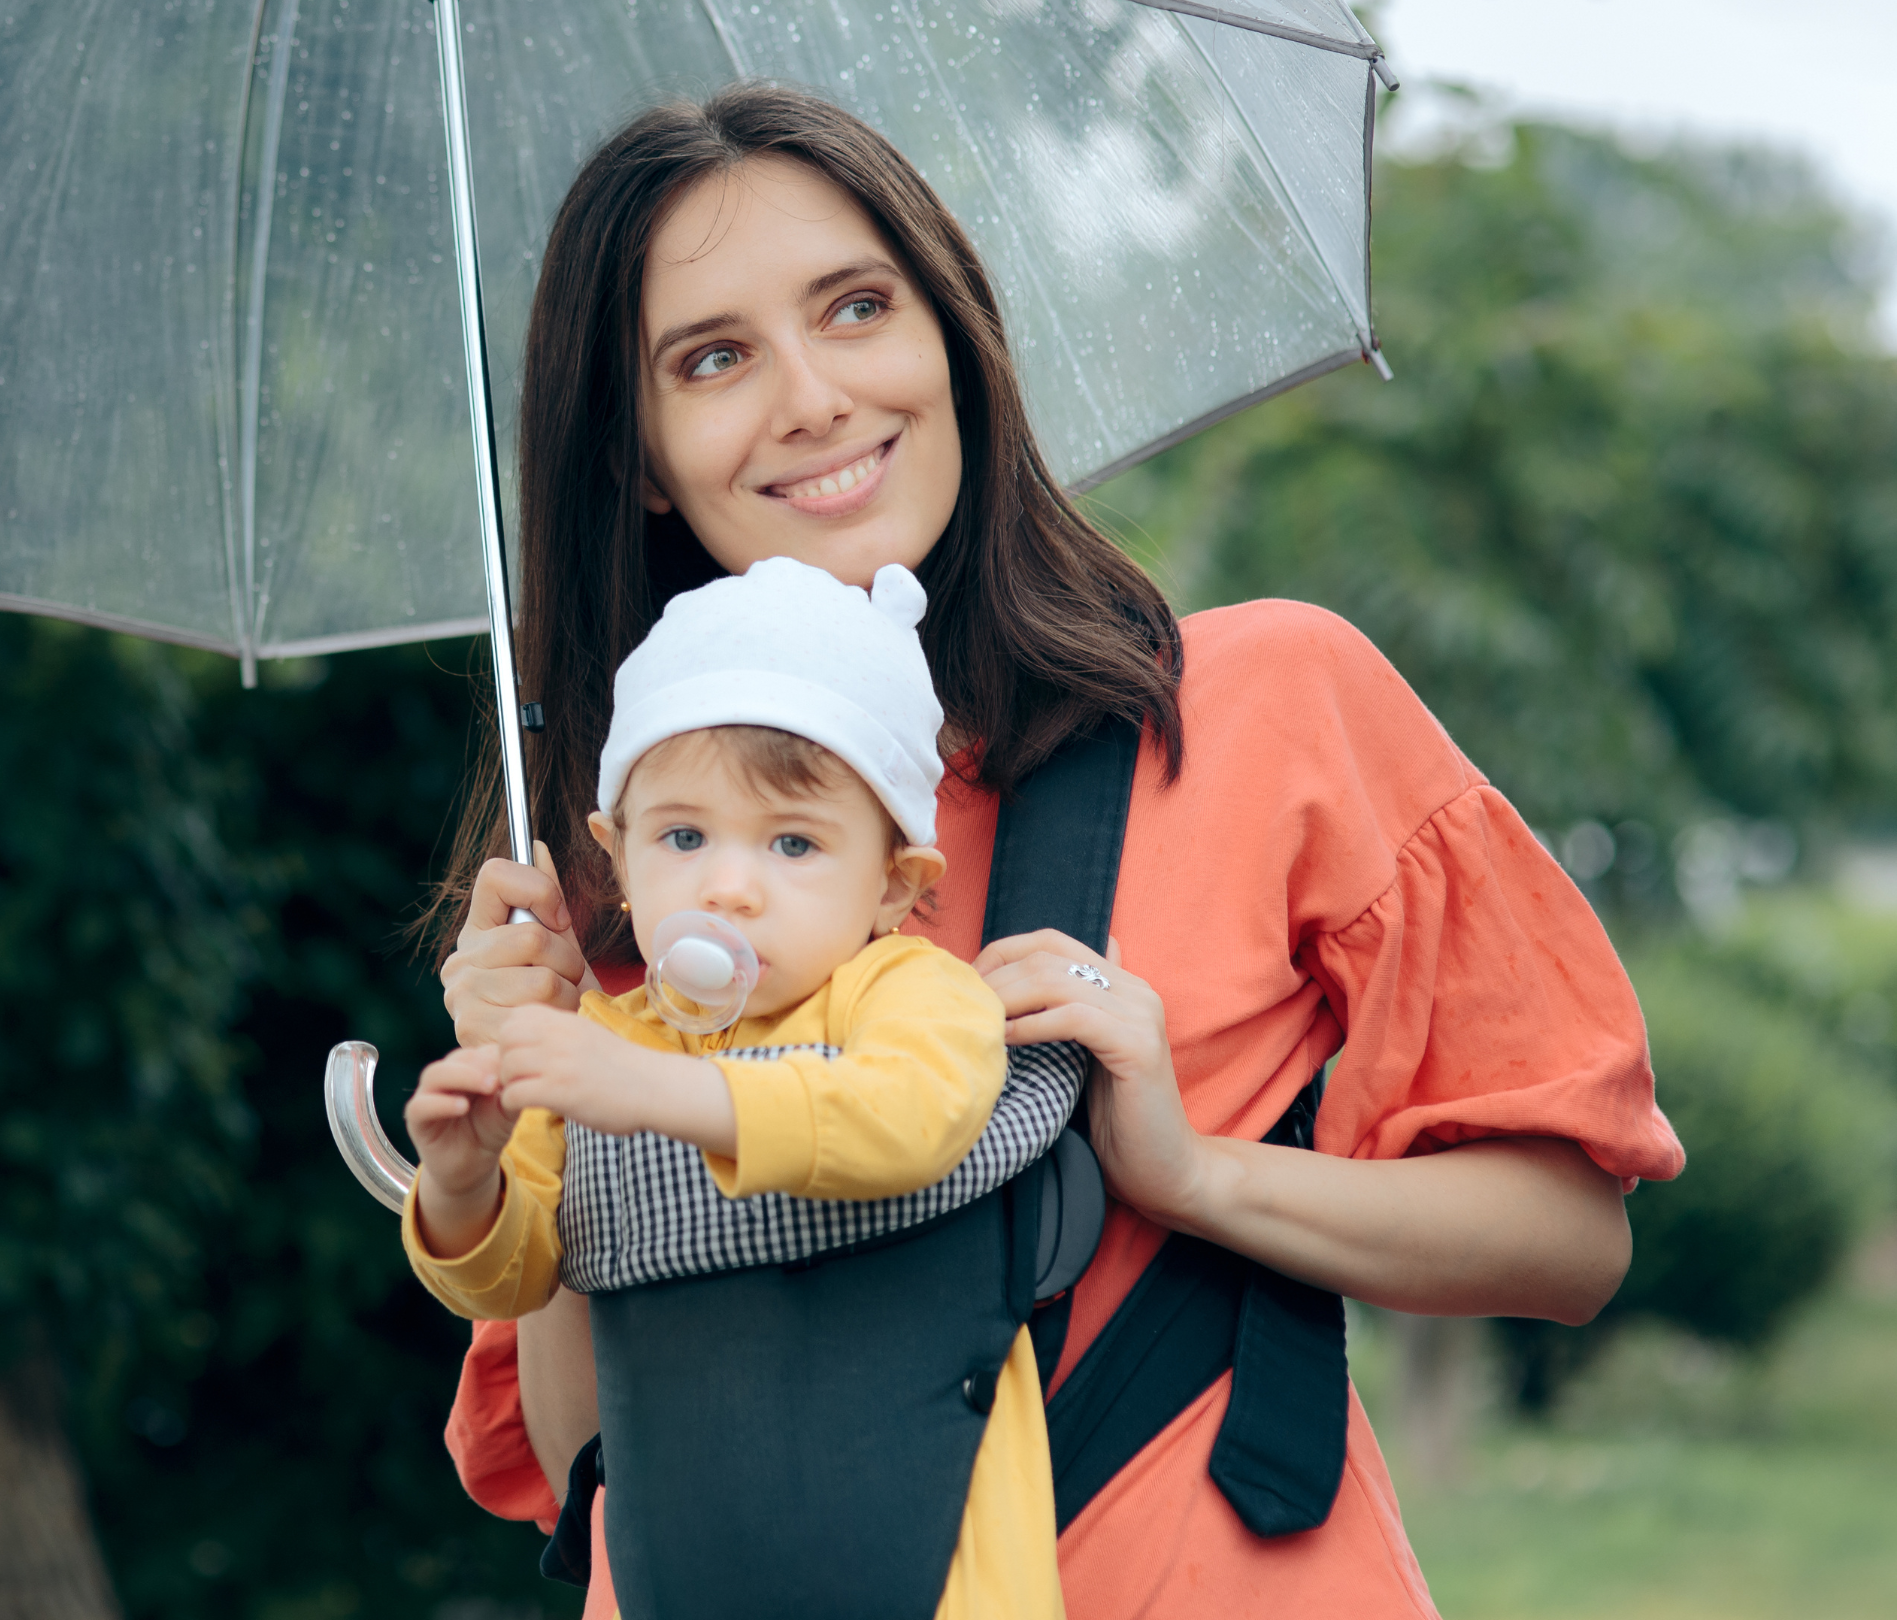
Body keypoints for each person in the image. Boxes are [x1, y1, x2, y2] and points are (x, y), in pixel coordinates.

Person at [427, 84, 1684, 1620]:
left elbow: (1567, 1237)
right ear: (639, 455)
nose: (813, 395)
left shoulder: (1264, 705)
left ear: (951, 334)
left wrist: (1194, 1176)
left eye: (857, 306)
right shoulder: (633, 879)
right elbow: (598, 1465)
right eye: (713, 358)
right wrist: (536, 1072)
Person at [405, 556, 1072, 1619]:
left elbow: (906, 1120)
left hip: (933, 1550)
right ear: (617, 859)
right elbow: (519, 1276)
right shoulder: (600, 1047)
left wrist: (651, 1095)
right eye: (682, 836)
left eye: (794, 843)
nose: (728, 883)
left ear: (895, 885)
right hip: (691, 1547)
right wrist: (461, 1185)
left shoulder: (906, 994)